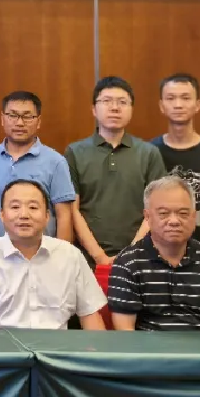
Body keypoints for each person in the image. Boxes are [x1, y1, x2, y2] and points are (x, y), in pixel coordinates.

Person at [0, 179, 106, 330]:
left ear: (47, 216)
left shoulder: (71, 257)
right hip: (0, 346)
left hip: (56, 346)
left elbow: (90, 315)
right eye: (15, 207)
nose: (24, 214)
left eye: (33, 207)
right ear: (2, 215)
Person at [108, 176, 200, 332]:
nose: (174, 221)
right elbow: (125, 331)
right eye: (164, 213)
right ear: (147, 217)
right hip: (148, 346)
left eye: (183, 213)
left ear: (194, 216)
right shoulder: (127, 264)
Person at [65, 76, 166, 266]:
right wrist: (98, 256)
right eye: (106, 101)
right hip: (86, 259)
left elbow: (156, 208)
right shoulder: (75, 152)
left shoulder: (149, 153)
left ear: (131, 109)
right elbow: (72, 209)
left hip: (141, 257)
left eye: (122, 102)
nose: (114, 108)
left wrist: (130, 253)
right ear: (94, 109)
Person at [0, 91, 75, 246]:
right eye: (13, 115)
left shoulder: (56, 162)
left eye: (27, 117)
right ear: (2, 119)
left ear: (38, 121)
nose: (20, 123)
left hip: (41, 253)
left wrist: (62, 255)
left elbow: (64, 214)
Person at [151, 73, 200, 248]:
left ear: (197, 105)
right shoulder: (149, 153)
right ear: (161, 106)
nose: (178, 104)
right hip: (156, 252)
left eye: (185, 98)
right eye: (171, 98)